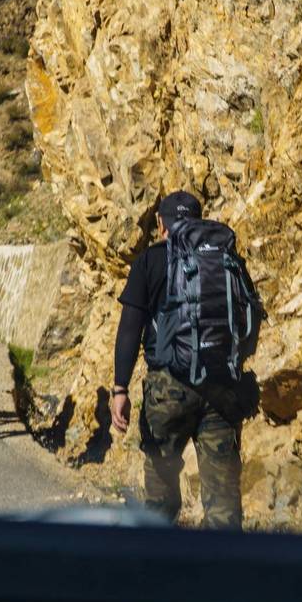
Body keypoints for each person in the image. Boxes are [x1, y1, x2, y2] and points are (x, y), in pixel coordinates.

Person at [111, 191, 258, 530]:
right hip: (222, 388)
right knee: (223, 503)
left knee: (159, 501)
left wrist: (120, 389)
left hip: (169, 389)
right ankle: (220, 576)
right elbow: (249, 318)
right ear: (198, 218)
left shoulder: (150, 260)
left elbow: (130, 329)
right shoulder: (225, 259)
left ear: (161, 223)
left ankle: (157, 572)